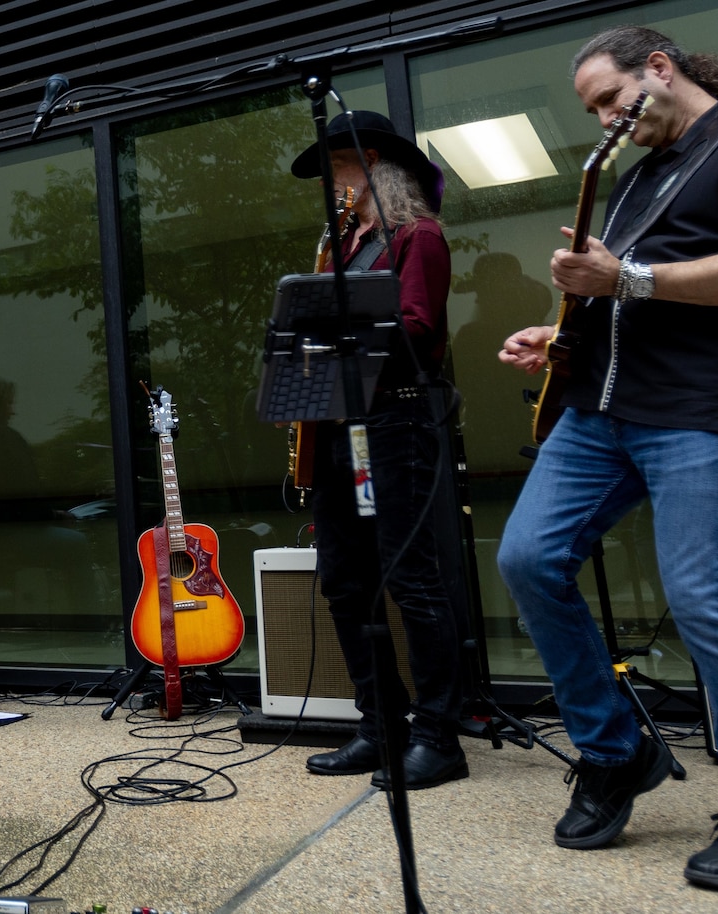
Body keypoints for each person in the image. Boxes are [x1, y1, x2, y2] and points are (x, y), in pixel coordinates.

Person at [497, 26, 718, 891]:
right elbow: (618, 280)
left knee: (701, 599)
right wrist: (558, 330)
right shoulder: (638, 176)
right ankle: (617, 752)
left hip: (702, 411)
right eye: (594, 110)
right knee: (527, 558)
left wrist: (628, 282)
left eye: (612, 98)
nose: (607, 118)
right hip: (599, 408)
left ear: (660, 67)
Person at [287, 110, 465, 790]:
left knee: (411, 579)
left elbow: (418, 332)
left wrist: (336, 323)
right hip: (339, 430)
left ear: (376, 172)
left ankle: (438, 735)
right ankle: (379, 724)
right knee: (343, 579)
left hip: (394, 425)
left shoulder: (416, 237)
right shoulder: (337, 249)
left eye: (338, 169)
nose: (332, 185)